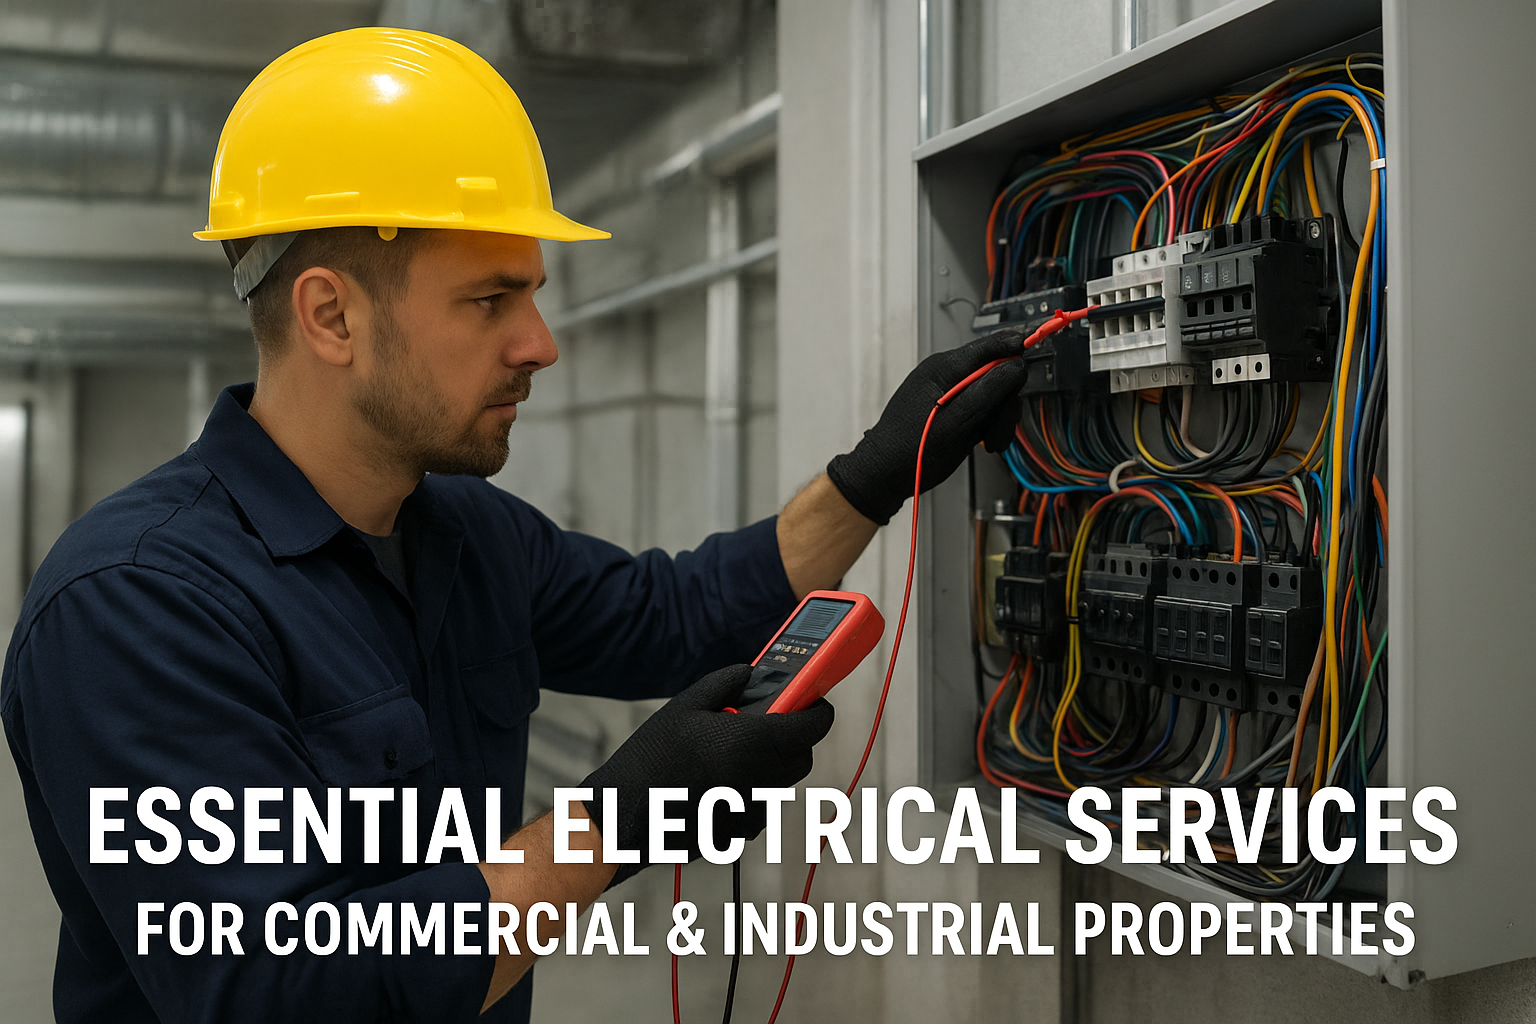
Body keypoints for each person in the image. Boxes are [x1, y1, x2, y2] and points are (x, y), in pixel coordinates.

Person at [0, 27, 1027, 1024]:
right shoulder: (137, 604)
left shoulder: (467, 533)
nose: (538, 342)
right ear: (331, 317)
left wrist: (879, 471)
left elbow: (679, 612)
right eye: (490, 299)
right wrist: (607, 824)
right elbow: (275, 990)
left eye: (531, 294)